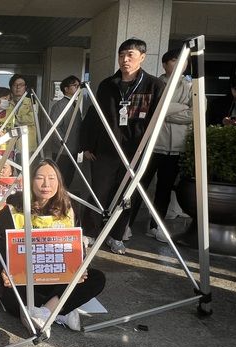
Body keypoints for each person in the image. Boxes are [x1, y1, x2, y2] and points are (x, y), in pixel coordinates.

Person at [0, 160, 105, 337]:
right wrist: (4, 269)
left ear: (59, 182)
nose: (46, 184)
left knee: (96, 278)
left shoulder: (69, 210)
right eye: (40, 178)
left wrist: (81, 267)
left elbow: (77, 248)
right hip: (24, 283)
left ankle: (43, 313)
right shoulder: (10, 211)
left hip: (56, 281)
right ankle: (59, 311)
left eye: (52, 178)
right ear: (31, 181)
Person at [79, 38, 165, 255]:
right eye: (122, 55)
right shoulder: (107, 85)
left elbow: (156, 120)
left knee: (126, 196)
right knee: (98, 191)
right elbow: (95, 117)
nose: (125, 60)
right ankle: (89, 231)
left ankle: (116, 236)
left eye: (130, 55)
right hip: (106, 151)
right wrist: (88, 145)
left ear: (142, 58)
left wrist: (145, 151)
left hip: (135, 152)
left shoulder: (154, 86)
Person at [128, 48, 193, 242]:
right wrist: (182, 107)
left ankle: (156, 226)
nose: (181, 64)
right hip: (152, 146)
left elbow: (195, 114)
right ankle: (125, 224)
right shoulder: (153, 85)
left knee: (164, 189)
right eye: (175, 60)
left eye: (184, 61)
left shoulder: (191, 87)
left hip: (176, 148)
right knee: (138, 186)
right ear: (165, 64)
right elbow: (146, 111)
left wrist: (164, 111)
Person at [48, 75, 82, 187]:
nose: (78, 88)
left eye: (78, 86)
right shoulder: (59, 106)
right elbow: (54, 128)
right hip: (62, 150)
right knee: (61, 178)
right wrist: (63, 144)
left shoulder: (75, 103)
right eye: (74, 85)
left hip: (74, 148)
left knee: (69, 178)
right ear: (66, 89)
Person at [8, 74, 39, 152]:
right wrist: (21, 119)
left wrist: (13, 118)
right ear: (11, 87)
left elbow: (31, 119)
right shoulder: (6, 102)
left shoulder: (32, 101)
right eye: (15, 85)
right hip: (9, 144)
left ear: (25, 87)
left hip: (27, 145)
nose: (18, 87)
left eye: (21, 85)